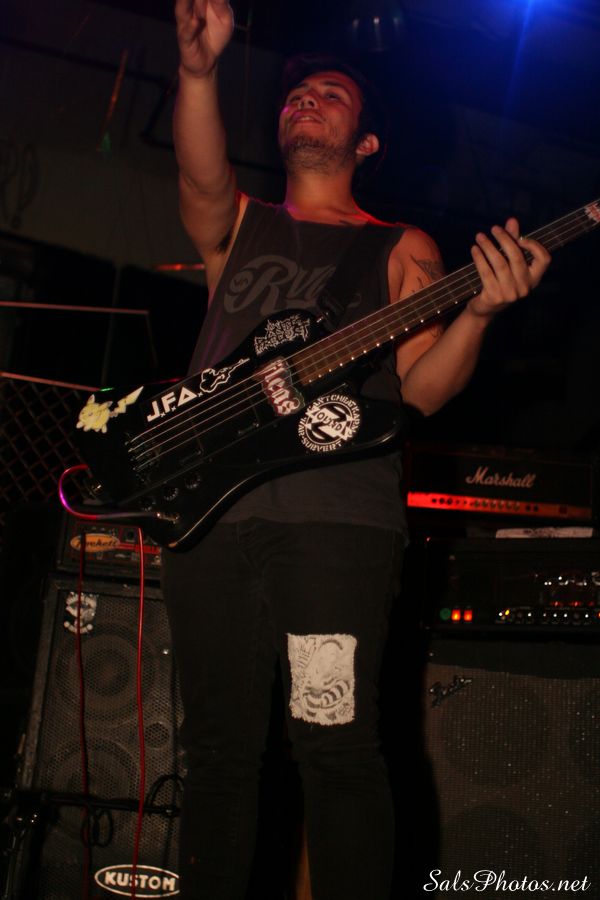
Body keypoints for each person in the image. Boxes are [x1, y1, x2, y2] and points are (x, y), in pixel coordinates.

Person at [162, 2, 552, 898]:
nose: (306, 99)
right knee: (216, 753)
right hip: (208, 519)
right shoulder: (241, 226)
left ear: (365, 141)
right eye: (297, 93)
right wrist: (196, 70)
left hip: (335, 522)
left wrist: (479, 315)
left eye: (330, 94)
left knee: (334, 746)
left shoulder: (399, 247)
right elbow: (198, 173)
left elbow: (422, 390)